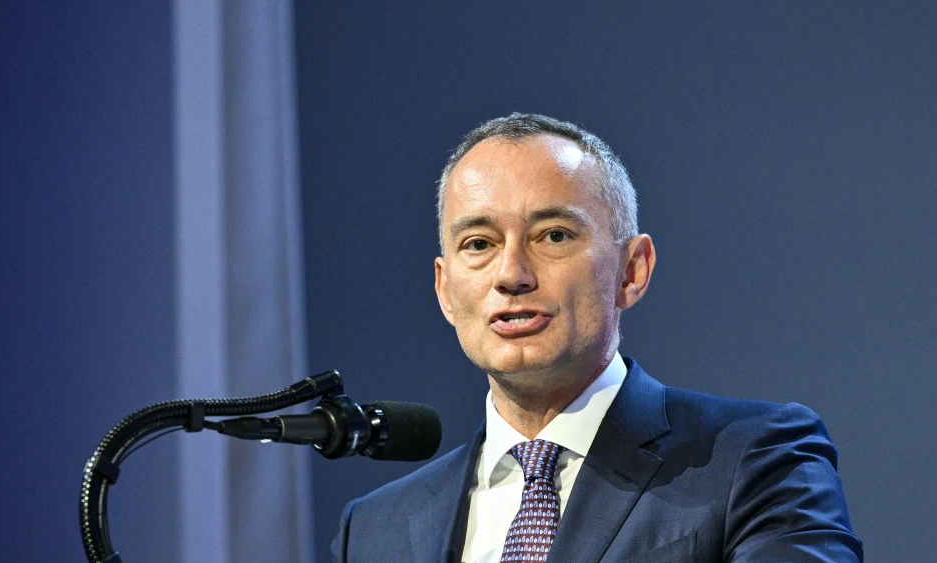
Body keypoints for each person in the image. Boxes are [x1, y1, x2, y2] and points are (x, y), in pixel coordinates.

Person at [331, 113, 863, 562]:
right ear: (445, 290)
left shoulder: (754, 458)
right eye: (479, 243)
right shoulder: (374, 531)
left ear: (632, 271)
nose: (511, 274)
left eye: (554, 236)